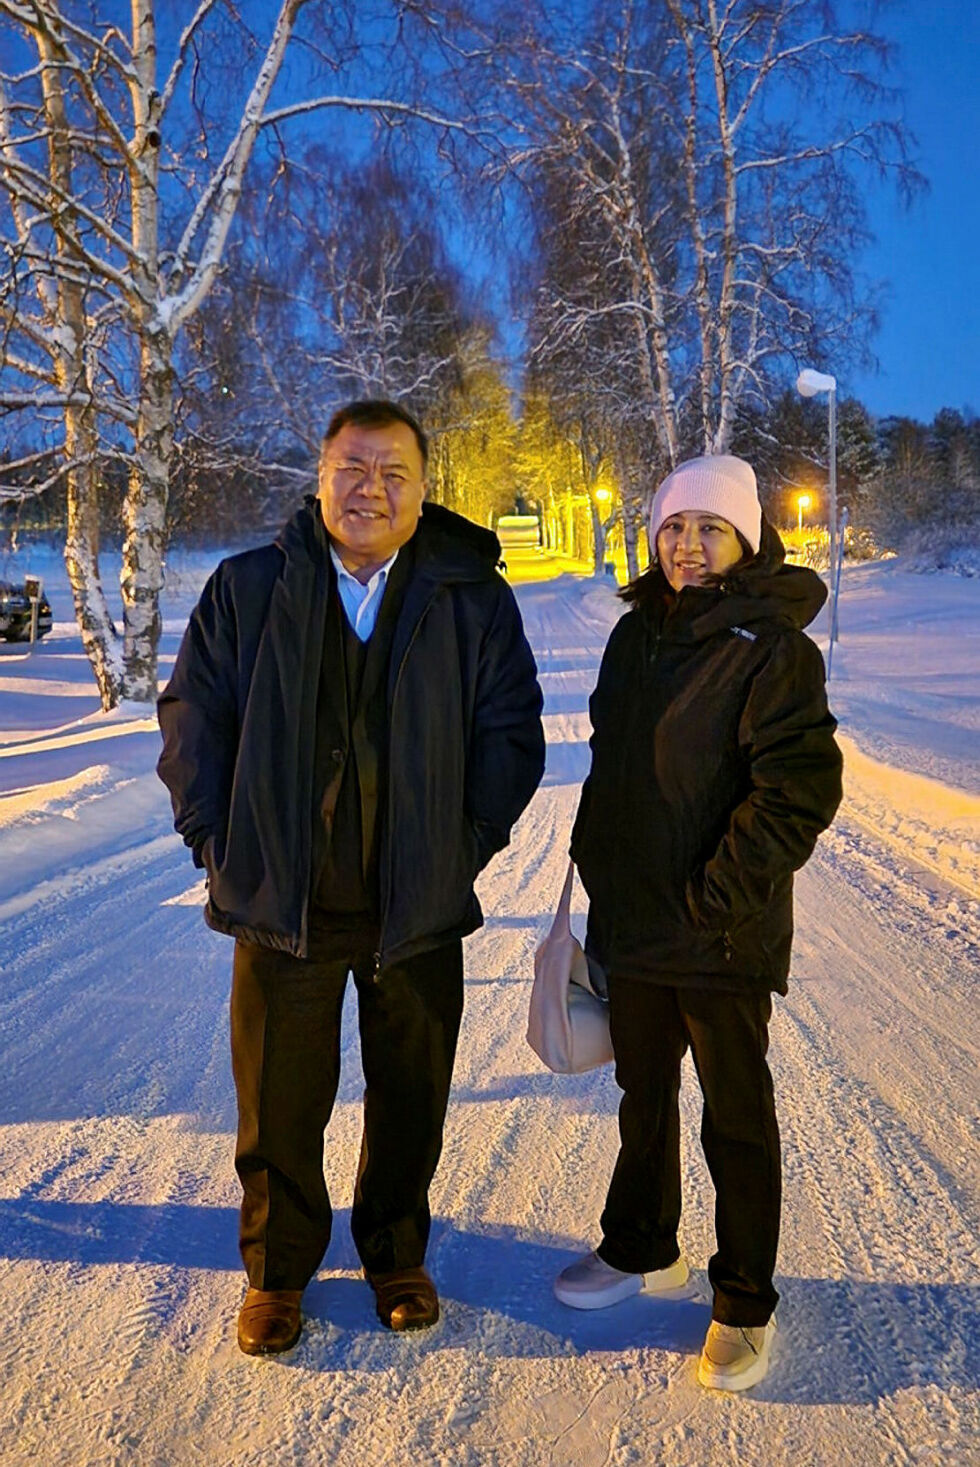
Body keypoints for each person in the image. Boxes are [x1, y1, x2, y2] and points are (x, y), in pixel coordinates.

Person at [157, 399, 544, 1355]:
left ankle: (396, 1255)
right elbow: (191, 719)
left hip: (413, 903)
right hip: (282, 901)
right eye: (353, 467)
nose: (371, 488)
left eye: (394, 472)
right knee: (279, 1101)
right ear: (321, 474)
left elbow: (511, 734)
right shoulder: (249, 587)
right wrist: (219, 841)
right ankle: (278, 1272)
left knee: (412, 1094)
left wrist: (463, 844)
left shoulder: (471, 596)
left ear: (424, 488)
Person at [554, 454, 842, 1392]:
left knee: (736, 1118)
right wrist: (597, 867)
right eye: (674, 527)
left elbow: (797, 788)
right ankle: (643, 1244)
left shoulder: (774, 648)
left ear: (745, 537)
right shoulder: (635, 635)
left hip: (721, 932)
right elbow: (611, 767)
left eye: (709, 529)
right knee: (643, 1099)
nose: (686, 545)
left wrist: (719, 895)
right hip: (635, 926)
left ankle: (745, 1296)